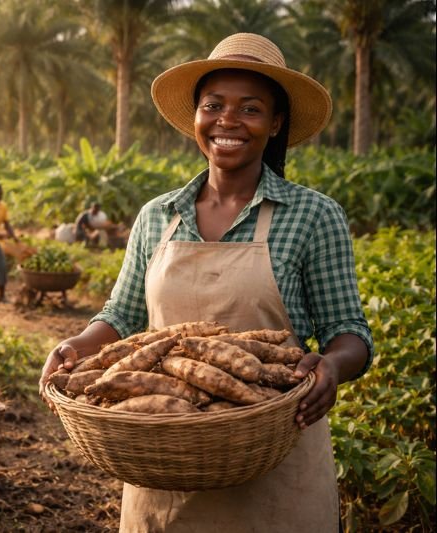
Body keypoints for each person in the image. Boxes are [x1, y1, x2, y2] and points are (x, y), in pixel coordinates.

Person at [38, 33, 373, 532]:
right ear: (196, 116)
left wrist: (333, 364)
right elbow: (121, 316)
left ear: (275, 123)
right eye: (213, 105)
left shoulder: (313, 215)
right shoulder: (157, 215)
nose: (228, 121)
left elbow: (349, 331)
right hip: (163, 452)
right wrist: (76, 345)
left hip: (274, 451)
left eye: (250, 109)